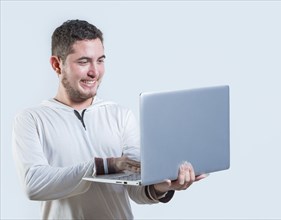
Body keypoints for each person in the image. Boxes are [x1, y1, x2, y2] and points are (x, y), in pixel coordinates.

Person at [12, 19, 205, 219]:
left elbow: (136, 189)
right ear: (56, 64)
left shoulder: (120, 115)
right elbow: (34, 184)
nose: (95, 72)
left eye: (100, 60)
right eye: (83, 61)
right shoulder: (31, 119)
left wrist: (159, 186)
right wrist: (105, 166)